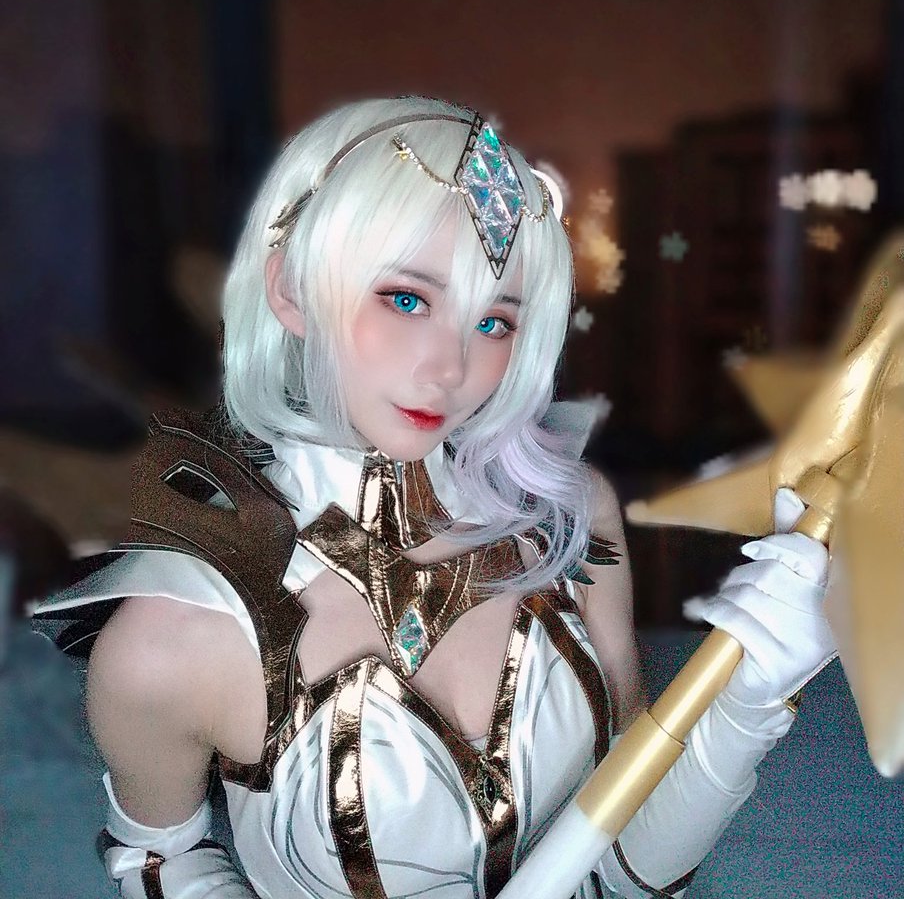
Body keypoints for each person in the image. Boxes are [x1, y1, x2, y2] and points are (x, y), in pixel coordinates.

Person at [36, 94, 835, 898]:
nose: (450, 367)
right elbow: (157, 857)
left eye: (494, 322)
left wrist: (750, 703)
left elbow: (623, 859)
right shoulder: (169, 641)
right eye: (408, 299)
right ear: (292, 291)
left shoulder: (570, 522)